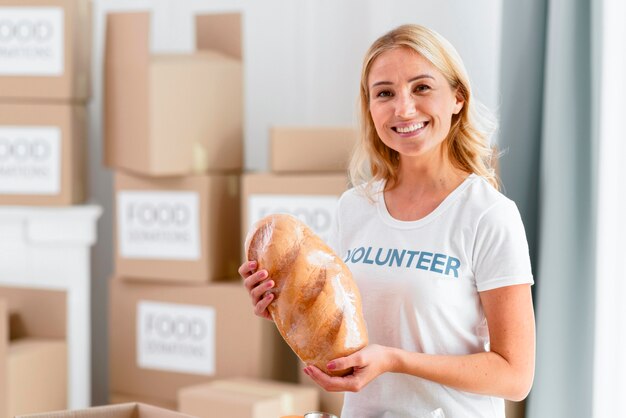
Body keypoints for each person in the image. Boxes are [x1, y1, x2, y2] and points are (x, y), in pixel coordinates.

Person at [239, 24, 535, 418]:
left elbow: (515, 376)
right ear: (370, 108)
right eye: (385, 94)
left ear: (457, 98)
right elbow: (340, 325)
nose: (403, 108)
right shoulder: (355, 207)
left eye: (422, 88)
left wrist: (396, 360)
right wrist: (281, 303)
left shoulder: (488, 215)